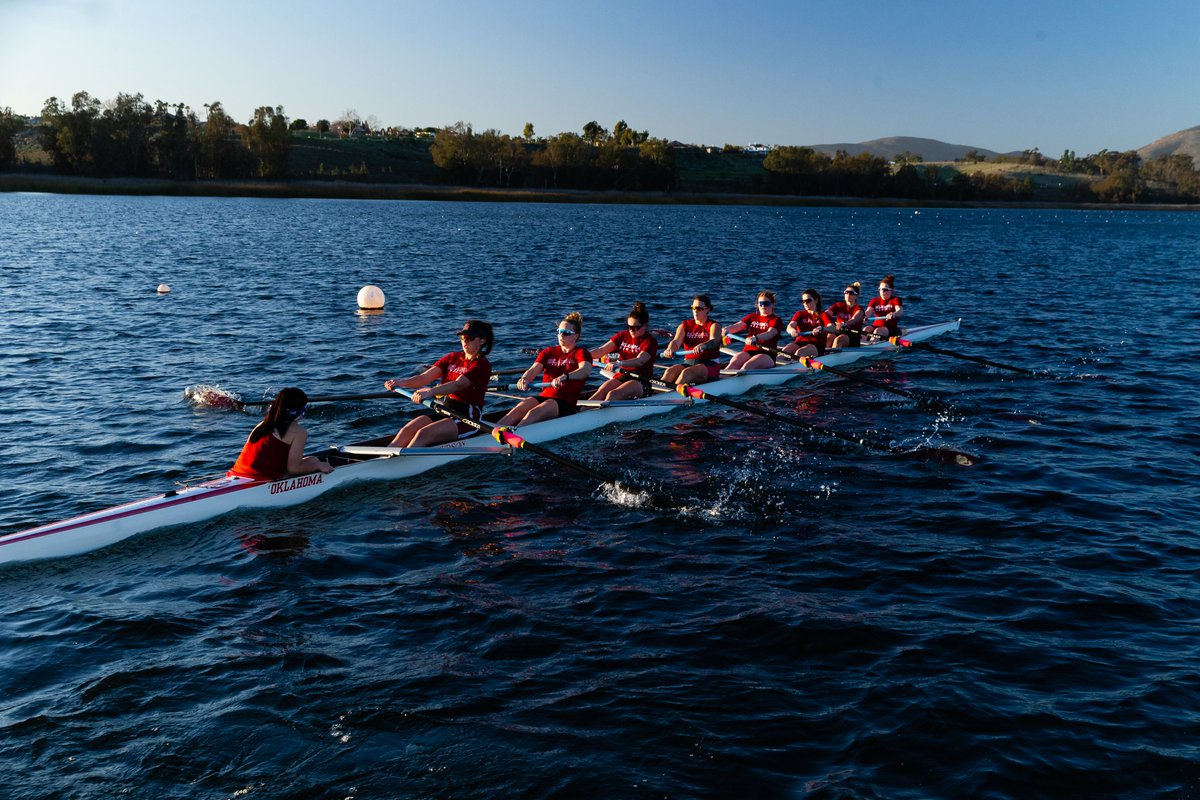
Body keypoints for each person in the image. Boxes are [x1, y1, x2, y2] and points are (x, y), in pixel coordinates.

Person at [384, 320, 494, 447]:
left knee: (424, 433)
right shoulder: (452, 357)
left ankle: (405, 463)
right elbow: (424, 378)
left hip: (467, 417)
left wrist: (430, 392)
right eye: (463, 337)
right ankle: (384, 460)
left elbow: (458, 384)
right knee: (407, 430)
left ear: (482, 340)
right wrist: (401, 382)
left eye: (470, 338)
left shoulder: (482, 365)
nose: (465, 341)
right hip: (444, 409)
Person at [496, 313, 593, 427]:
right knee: (518, 409)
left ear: (576, 336)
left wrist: (565, 376)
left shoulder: (581, 353)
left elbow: (584, 371)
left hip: (565, 402)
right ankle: (492, 434)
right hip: (544, 396)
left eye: (566, 333)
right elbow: (533, 370)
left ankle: (513, 438)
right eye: (559, 332)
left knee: (533, 413)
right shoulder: (548, 352)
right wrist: (525, 378)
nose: (561, 336)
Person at [228, 387, 333, 480]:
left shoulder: (261, 425)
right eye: (304, 410)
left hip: (237, 473)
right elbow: (293, 469)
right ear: (297, 411)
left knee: (313, 459)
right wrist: (318, 466)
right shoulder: (298, 431)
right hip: (262, 479)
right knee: (314, 462)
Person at [588, 301, 659, 401]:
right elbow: (601, 350)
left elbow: (640, 361)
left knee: (613, 394)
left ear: (645, 325)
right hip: (623, 375)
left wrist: (619, 363)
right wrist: (581, 356)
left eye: (636, 327)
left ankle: (603, 414)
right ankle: (581, 412)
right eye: (629, 327)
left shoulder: (650, 341)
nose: (632, 330)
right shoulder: (622, 335)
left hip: (640, 380)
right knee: (601, 391)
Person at [661, 294, 723, 385]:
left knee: (686, 373)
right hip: (689, 363)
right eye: (693, 308)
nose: (695, 311)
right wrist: (670, 349)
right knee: (669, 371)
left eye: (699, 309)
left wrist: (703, 345)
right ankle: (655, 395)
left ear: (708, 310)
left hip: (709, 365)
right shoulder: (685, 325)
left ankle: (671, 395)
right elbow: (676, 342)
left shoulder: (714, 325)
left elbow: (714, 341)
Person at [722, 290, 784, 371]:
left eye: (766, 303)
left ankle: (737, 380)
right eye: (761, 303)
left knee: (748, 366)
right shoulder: (752, 317)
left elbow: (770, 333)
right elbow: (737, 326)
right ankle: (721, 379)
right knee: (734, 361)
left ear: (772, 304)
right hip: (749, 351)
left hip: (767, 354)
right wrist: (726, 329)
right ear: (757, 305)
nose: (763, 306)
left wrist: (755, 338)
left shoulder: (776, 320)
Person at [782, 288, 827, 359]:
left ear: (816, 300)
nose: (805, 303)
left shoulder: (823, 315)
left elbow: (833, 328)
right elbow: (790, 326)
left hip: (816, 345)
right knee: (783, 352)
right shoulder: (799, 314)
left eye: (808, 301)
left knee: (799, 353)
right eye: (803, 301)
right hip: (800, 342)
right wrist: (792, 330)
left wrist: (821, 328)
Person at [824, 282, 866, 349]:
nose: (848, 294)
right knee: (829, 336)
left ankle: (832, 355)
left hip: (852, 336)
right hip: (839, 332)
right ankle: (825, 355)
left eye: (851, 293)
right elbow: (826, 314)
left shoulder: (859, 309)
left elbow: (854, 320)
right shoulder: (839, 305)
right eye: (846, 292)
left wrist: (844, 324)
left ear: (856, 296)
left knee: (839, 339)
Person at [863, 274, 905, 340]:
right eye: (880, 289)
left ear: (891, 290)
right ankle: (858, 347)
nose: (882, 291)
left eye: (885, 289)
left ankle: (872, 347)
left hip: (890, 329)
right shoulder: (874, 300)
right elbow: (868, 311)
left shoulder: (895, 300)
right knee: (865, 330)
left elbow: (900, 311)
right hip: (876, 326)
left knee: (877, 331)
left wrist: (893, 314)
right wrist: (864, 316)